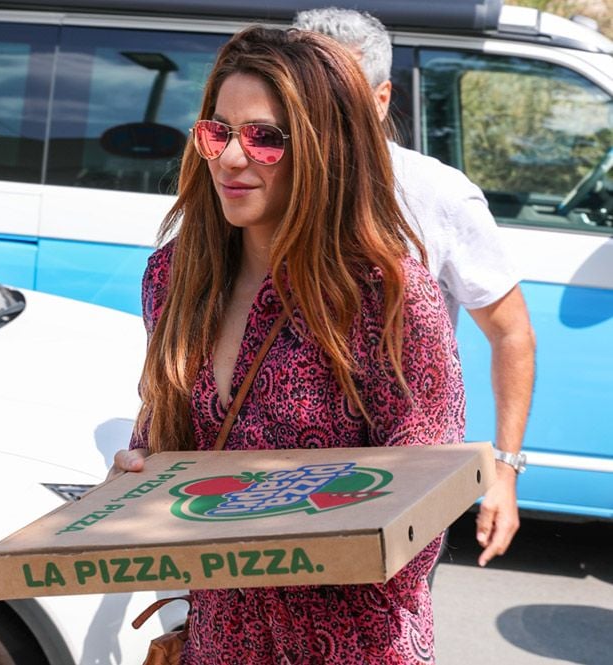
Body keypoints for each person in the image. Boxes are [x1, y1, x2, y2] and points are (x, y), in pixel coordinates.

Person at [113, 25, 465, 664]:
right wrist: (138, 473)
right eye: (218, 131)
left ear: (326, 149)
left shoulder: (388, 296)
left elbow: (423, 503)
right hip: (219, 639)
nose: (231, 158)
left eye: (265, 138)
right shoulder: (171, 277)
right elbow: (169, 441)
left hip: (353, 644)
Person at [293, 7, 537, 568]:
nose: (316, 115)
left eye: (338, 95)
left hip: (394, 490)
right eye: (301, 93)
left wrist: (504, 470)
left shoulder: (437, 195)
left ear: (380, 102)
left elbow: (512, 334)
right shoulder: (253, 182)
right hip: (268, 487)